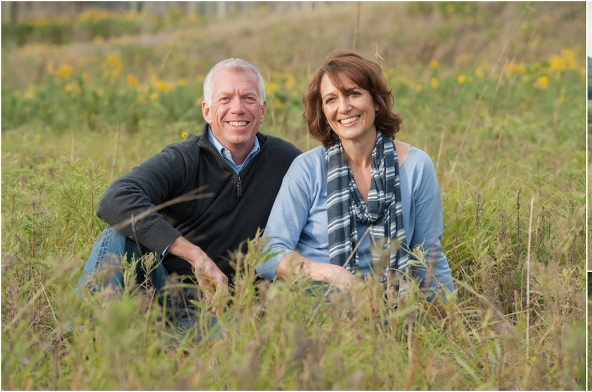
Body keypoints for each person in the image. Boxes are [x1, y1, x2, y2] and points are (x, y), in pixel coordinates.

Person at [75, 58, 302, 328]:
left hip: (230, 310)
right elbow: (116, 199)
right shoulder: (183, 159)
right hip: (163, 297)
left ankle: (169, 347)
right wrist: (195, 255)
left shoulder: (287, 161)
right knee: (118, 234)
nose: (237, 108)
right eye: (225, 98)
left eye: (249, 98)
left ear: (263, 110)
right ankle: (81, 338)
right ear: (207, 110)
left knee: (225, 346)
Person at [256, 50, 454, 303]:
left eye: (354, 94)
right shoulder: (307, 169)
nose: (343, 107)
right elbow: (268, 255)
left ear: (376, 101)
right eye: (331, 99)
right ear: (324, 113)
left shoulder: (416, 166)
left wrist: (452, 325)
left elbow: (428, 256)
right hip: (315, 309)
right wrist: (330, 273)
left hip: (392, 309)